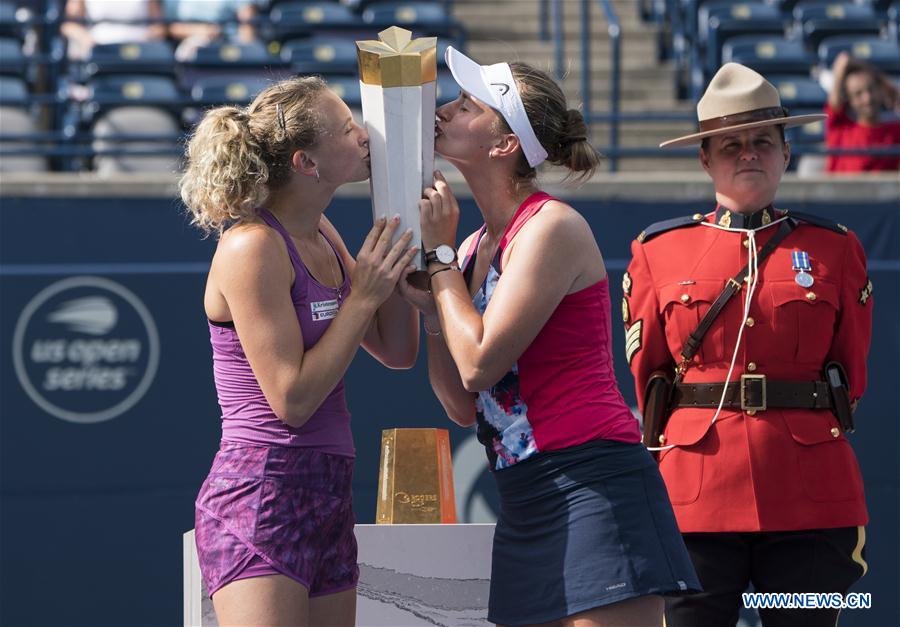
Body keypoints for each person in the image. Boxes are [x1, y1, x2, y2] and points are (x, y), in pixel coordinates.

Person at [399, 47, 700, 627]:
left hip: (594, 482)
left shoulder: (551, 226)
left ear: (504, 144)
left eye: (466, 106)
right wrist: (436, 313)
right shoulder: (472, 248)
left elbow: (478, 364)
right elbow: (462, 404)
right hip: (523, 495)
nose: (443, 111)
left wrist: (438, 260)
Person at [626, 62, 872, 626]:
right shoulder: (657, 251)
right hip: (698, 493)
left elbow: (850, 373)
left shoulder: (835, 250)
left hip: (809, 497)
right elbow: (651, 378)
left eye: (763, 141)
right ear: (705, 158)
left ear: (786, 151)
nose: (748, 155)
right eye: (730, 145)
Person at [180, 75, 419, 626]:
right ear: (306, 162)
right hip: (259, 491)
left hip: (330, 488)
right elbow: (292, 401)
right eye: (348, 128)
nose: (365, 135)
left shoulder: (325, 231)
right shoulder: (252, 246)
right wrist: (364, 297)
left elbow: (397, 349)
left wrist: (404, 259)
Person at [825, 51, 900, 172]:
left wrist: (892, 91)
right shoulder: (840, 129)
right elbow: (842, 61)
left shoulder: (895, 131)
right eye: (858, 94)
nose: (867, 98)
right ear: (849, 100)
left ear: (880, 90)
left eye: (871, 89)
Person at [61, 0, 167, 60]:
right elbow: (69, 24)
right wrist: (86, 39)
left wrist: (146, 41)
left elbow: (158, 27)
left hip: (139, 54)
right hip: (99, 53)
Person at [163, 0, 258, 62]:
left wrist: (246, 52)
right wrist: (201, 31)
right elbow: (170, 27)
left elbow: (247, 30)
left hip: (228, 43)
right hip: (191, 43)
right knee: (188, 52)